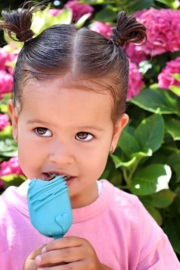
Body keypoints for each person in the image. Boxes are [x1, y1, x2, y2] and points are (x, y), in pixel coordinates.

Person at [0, 2, 179, 270]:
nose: (60, 157)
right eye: (42, 130)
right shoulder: (4, 222)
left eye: (83, 134)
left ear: (115, 134)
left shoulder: (130, 219)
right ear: (15, 122)